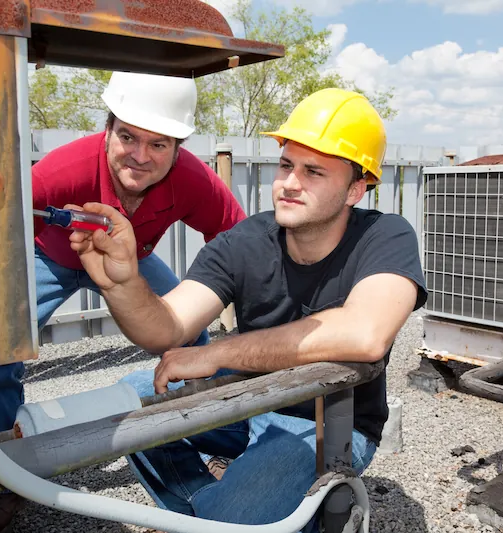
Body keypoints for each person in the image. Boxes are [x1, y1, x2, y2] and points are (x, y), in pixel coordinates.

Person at [68, 87, 428, 532]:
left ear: (356, 188)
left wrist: (215, 353)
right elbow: (166, 328)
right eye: (286, 165)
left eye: (313, 171)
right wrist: (121, 284)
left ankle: (226, 513)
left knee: (233, 518)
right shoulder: (248, 239)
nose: (289, 183)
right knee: (130, 402)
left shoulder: (385, 235)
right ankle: (210, 509)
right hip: (248, 405)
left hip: (329, 424)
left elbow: (365, 334)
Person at [0, 71, 247, 533]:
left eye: (159, 144)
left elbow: (239, 244)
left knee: (194, 340)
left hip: (129, 262)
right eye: (128, 137)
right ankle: (4, 477)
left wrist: (256, 318)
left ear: (179, 146)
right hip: (52, 255)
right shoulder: (61, 171)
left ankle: (214, 433)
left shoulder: (194, 180)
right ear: (108, 128)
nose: (140, 155)